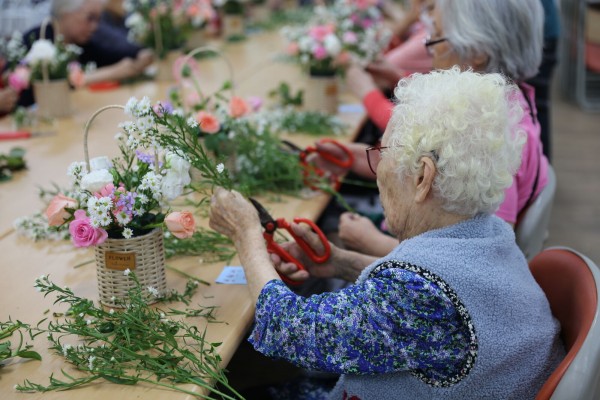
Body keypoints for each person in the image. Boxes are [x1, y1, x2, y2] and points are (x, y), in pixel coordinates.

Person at [209, 68, 564, 399]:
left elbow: (290, 330)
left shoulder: (416, 294)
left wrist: (246, 235)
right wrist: (339, 262)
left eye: (382, 152)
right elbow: (441, 290)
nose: (377, 170)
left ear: (424, 178)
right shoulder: (490, 234)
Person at [321, 0, 549, 254]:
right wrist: (360, 159)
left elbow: (480, 259)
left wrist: (370, 242)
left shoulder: (492, 139)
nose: (430, 49)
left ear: (477, 52)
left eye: (437, 37)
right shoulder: (500, 107)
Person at [18, 0, 153, 106]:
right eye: (90, 18)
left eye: (98, 20)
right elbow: (35, 91)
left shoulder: (84, 44)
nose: (95, 27)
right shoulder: (36, 41)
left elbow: (119, 55)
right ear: (65, 13)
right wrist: (109, 73)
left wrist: (140, 55)